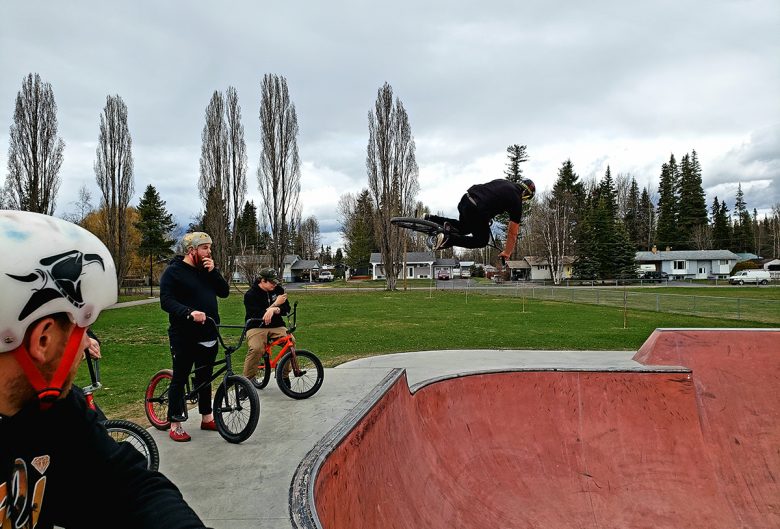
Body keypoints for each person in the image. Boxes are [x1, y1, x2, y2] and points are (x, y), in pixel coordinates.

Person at [0, 210, 206, 528]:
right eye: (84, 328)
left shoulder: (54, 409)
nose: (87, 345)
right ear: (42, 340)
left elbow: (131, 489)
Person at [160, 232, 229, 442]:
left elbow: (224, 292)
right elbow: (166, 301)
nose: (209, 252)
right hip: (184, 334)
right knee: (180, 377)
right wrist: (189, 312)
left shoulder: (207, 271)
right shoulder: (174, 272)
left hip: (208, 331)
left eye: (210, 247)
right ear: (192, 250)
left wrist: (214, 272)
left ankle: (206, 417)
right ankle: (175, 423)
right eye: (205, 248)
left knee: (205, 377)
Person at [426, 178, 535, 260]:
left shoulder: (504, 182)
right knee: (481, 241)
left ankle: (429, 218)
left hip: (466, 200)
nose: (524, 201)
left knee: (464, 228)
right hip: (477, 210)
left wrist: (487, 216)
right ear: (525, 195)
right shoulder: (517, 199)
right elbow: (513, 233)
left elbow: (490, 196)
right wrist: (507, 252)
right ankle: (449, 240)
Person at [242, 268, 292, 384]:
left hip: (276, 325)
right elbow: (257, 315)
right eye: (271, 282)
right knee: (256, 349)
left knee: (290, 343)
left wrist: (276, 309)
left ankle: (284, 375)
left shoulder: (278, 290)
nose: (274, 285)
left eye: (275, 282)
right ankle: (247, 382)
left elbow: (286, 308)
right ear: (262, 280)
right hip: (256, 326)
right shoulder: (250, 295)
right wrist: (274, 304)